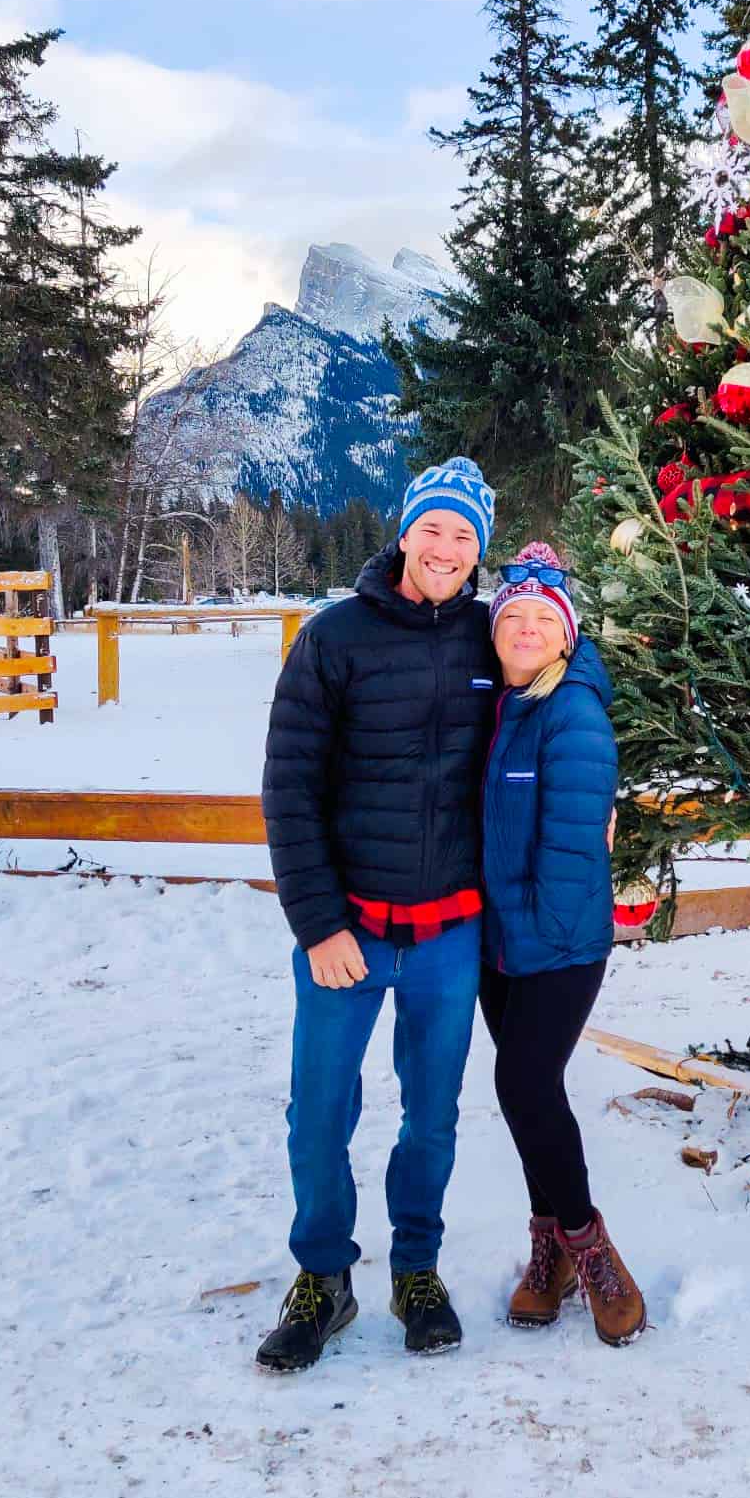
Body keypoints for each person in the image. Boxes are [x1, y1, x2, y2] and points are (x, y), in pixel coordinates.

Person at [255, 456, 498, 1373]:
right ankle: (323, 1276)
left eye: (464, 535)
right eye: (432, 528)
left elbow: (561, 683)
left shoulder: (491, 640)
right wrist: (318, 926)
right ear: (405, 531)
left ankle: (417, 1267)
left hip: (450, 935)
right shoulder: (334, 639)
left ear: (480, 550)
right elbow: (288, 790)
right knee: (320, 1111)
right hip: (347, 929)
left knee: (431, 1114)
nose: (445, 548)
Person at [481, 541, 645, 1346]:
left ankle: (587, 1245)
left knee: (523, 1083)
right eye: (514, 616)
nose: (527, 630)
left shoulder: (572, 712)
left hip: (558, 941)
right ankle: (543, 1244)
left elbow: (572, 847)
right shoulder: (495, 706)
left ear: (568, 637)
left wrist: (531, 941)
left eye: (544, 619)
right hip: (495, 940)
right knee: (527, 1098)